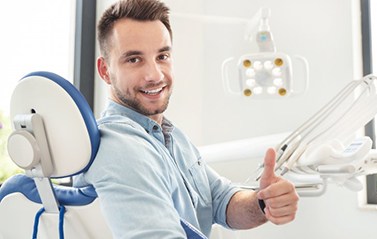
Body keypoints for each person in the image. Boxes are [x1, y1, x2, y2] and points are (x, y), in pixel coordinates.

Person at [74, 0, 299, 238]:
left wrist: (263, 203)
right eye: (134, 59)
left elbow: (220, 200)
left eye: (162, 56)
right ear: (105, 70)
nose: (154, 75)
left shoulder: (170, 135)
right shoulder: (120, 148)